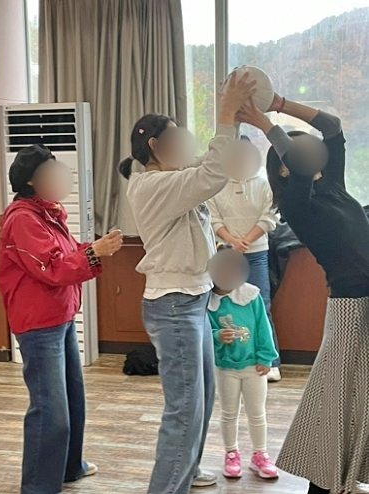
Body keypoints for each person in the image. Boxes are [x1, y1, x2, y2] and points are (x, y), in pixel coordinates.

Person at [119, 71, 256, 494]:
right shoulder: (155, 185)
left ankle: (188, 469)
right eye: (178, 138)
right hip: (174, 306)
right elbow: (212, 173)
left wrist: (238, 119)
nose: (187, 145)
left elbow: (211, 165)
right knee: (184, 409)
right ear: (155, 147)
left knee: (203, 396)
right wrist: (226, 111)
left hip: (193, 299)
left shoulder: (172, 177)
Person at [237, 95, 369, 494]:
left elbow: (332, 125)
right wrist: (264, 123)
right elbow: (298, 163)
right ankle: (324, 482)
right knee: (337, 396)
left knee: (361, 395)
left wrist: (278, 103)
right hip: (349, 307)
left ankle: (345, 475)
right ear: (285, 166)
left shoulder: (334, 186)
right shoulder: (298, 204)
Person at [0, 144, 123, 494]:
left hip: (60, 315)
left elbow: (63, 255)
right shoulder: (23, 218)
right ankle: (39, 487)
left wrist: (93, 248)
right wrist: (94, 252)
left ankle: (69, 466)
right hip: (38, 323)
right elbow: (52, 268)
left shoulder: (48, 213)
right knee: (50, 409)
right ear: (32, 181)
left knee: (72, 400)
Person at [207, 136, 281, 381]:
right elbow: (213, 218)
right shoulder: (217, 184)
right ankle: (225, 359)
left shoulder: (263, 183)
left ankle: (270, 362)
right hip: (224, 253)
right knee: (222, 307)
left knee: (260, 305)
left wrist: (246, 240)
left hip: (256, 252)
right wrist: (232, 241)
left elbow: (269, 217)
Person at [207, 245, 279, 480]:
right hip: (225, 367)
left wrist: (266, 357)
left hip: (253, 367)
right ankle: (231, 454)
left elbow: (263, 327)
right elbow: (205, 330)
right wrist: (218, 335)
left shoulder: (251, 296)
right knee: (229, 412)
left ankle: (260, 454)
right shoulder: (208, 302)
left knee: (256, 413)